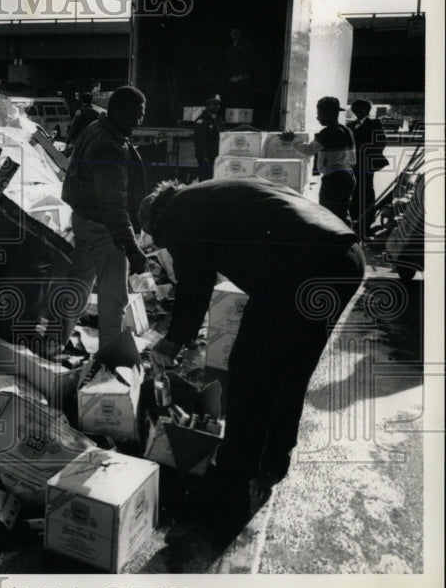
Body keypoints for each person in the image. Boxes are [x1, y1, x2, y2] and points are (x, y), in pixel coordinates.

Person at [141, 177, 365, 521]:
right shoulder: (210, 194)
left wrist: (172, 341)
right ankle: (274, 457)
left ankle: (228, 491)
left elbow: (195, 285)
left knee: (250, 375)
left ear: (158, 221)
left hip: (300, 271)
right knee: (292, 368)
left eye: (164, 242)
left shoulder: (179, 215)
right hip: (344, 260)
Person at [58, 85, 148, 368]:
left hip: (83, 219)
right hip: (102, 227)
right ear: (119, 110)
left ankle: (54, 341)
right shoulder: (109, 144)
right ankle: (109, 360)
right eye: (135, 114)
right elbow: (113, 206)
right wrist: (133, 249)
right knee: (113, 296)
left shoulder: (97, 127)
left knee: (79, 283)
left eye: (142, 115)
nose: (138, 121)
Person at [283, 97, 356, 224]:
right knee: (342, 213)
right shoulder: (347, 130)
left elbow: (309, 150)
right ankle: (349, 240)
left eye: (320, 113)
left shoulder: (328, 132)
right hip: (348, 176)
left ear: (330, 113)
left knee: (329, 215)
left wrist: (293, 139)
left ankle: (333, 243)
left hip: (334, 179)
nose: (318, 117)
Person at [348, 99, 388, 239]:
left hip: (366, 164)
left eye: (360, 109)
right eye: (355, 109)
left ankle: (366, 221)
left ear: (367, 110)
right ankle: (354, 219)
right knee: (353, 190)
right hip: (352, 164)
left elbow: (381, 142)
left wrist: (365, 154)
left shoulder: (374, 124)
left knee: (366, 190)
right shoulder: (350, 125)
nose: (357, 112)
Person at [193, 95, 223, 181]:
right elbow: (199, 140)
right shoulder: (202, 120)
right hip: (206, 156)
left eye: (218, 104)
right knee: (205, 178)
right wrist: (203, 157)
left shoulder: (218, 120)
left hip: (215, 156)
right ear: (207, 106)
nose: (216, 106)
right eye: (213, 104)